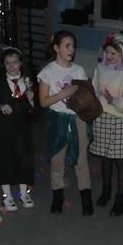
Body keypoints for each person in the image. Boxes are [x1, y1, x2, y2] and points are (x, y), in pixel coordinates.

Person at [38, 30, 93, 215]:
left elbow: (85, 98)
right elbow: (43, 102)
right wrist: (63, 93)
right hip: (57, 120)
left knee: (81, 160)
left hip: (77, 119)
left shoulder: (79, 70)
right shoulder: (47, 72)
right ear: (56, 48)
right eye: (67, 46)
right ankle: (58, 197)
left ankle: (86, 199)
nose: (71, 50)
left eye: (73, 46)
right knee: (57, 161)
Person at [0, 47, 37, 210]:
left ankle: (24, 193)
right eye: (8, 63)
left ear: (20, 63)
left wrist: (31, 101)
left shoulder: (28, 83)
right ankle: (7, 196)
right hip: (3, 130)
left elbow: (35, 113)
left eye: (15, 62)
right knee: (4, 160)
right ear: (3, 65)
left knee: (23, 159)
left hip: (22, 130)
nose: (12, 66)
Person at [91, 34, 123, 216]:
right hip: (101, 117)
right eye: (108, 52)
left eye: (114, 53)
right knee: (105, 159)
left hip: (119, 120)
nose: (109, 56)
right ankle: (106, 191)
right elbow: (94, 89)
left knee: (120, 161)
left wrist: (114, 101)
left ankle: (120, 198)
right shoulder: (100, 68)